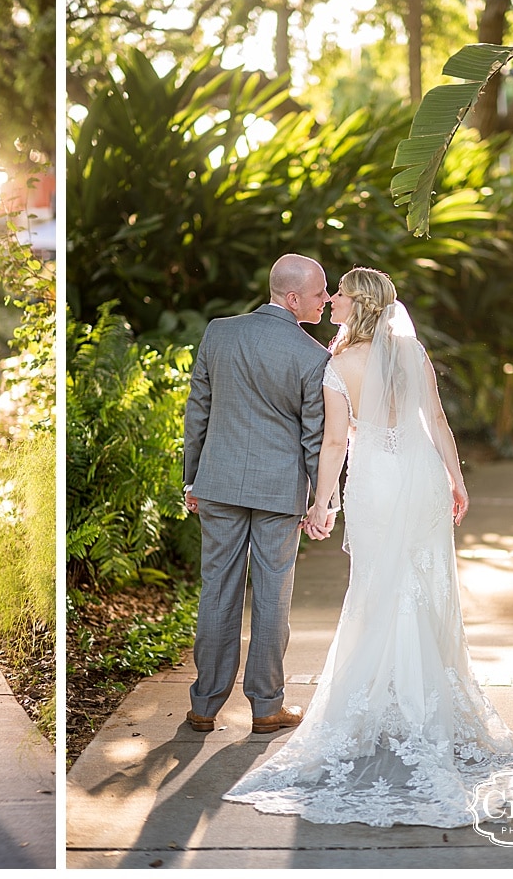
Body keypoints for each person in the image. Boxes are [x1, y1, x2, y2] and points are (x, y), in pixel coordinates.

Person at [224, 267, 513, 827]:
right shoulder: (413, 354)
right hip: (423, 477)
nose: (331, 300)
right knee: (423, 588)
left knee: (376, 589)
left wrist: (322, 503)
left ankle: (387, 706)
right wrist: (456, 479)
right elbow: (435, 420)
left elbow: (336, 441)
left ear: (357, 305)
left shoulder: (338, 366)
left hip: (376, 484)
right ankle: (421, 707)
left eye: (338, 294)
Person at [182, 253, 333, 734]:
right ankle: (267, 706)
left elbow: (197, 412)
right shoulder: (314, 358)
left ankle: (204, 705)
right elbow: (315, 438)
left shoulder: (218, 333)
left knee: (217, 591)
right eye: (318, 294)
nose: (326, 301)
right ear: (293, 298)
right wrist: (319, 501)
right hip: (278, 492)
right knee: (272, 598)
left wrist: (192, 479)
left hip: (219, 484)